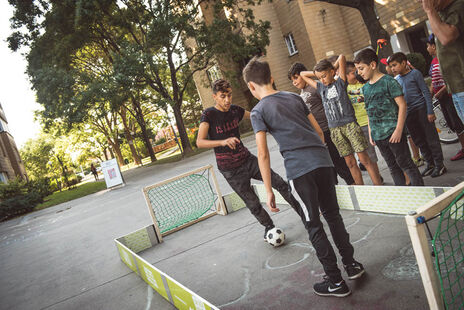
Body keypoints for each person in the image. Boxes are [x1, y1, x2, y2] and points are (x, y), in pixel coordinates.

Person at [243, 57, 364, 298]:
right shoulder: (294, 97)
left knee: (313, 224)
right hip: (323, 162)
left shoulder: (258, 111)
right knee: (332, 215)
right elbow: (319, 131)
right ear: (272, 78)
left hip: (301, 171)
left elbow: (263, 154)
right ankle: (351, 265)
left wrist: (268, 190)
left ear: (251, 86)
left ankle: (335, 280)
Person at [196, 79, 300, 241]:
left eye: (229, 95)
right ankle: (269, 228)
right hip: (230, 170)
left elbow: (255, 115)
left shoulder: (235, 111)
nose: (227, 100)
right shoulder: (209, 115)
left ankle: (304, 213)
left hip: (248, 160)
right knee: (253, 203)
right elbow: (199, 142)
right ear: (214, 97)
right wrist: (222, 142)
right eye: (223, 96)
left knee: (279, 183)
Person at [300, 55, 382, 186]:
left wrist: (331, 67)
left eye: (324, 76)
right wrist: (318, 73)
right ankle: (361, 191)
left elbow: (342, 57)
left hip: (350, 125)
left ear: (332, 72)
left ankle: (379, 186)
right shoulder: (321, 88)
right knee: (350, 163)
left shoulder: (340, 82)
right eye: (319, 77)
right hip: (335, 130)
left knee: (364, 159)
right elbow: (303, 74)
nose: (322, 79)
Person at [354, 49, 424, 186]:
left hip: (393, 133)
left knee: (405, 163)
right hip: (378, 135)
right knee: (392, 167)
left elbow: (402, 105)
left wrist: (399, 130)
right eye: (357, 69)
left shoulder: (388, 82)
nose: (359, 73)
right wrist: (371, 132)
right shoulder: (366, 88)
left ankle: (422, 194)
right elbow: (369, 111)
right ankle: (403, 195)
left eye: (361, 68)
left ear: (373, 65)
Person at [287, 62, 355, 185]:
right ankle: (335, 190)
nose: (295, 82)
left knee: (338, 161)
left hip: (327, 129)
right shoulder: (302, 92)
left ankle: (353, 184)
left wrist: (315, 73)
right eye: (292, 80)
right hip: (318, 134)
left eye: (296, 78)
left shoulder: (316, 86)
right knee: (329, 165)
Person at [388, 52, 446, 177]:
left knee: (431, 139)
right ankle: (430, 164)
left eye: (394, 65)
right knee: (419, 140)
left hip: (421, 110)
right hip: (409, 115)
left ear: (404, 63)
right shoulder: (396, 80)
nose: (392, 68)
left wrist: (430, 111)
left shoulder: (415, 74)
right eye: (391, 66)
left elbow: (425, 92)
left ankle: (439, 164)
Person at [420, 0, 464, 123]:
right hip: (456, 88)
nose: (424, 4)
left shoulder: (459, 6)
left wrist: (430, 11)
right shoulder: (443, 13)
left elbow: (446, 37)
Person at [427, 33, 464, 161]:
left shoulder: (444, 59)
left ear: (433, 46)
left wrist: (442, 91)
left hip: (448, 95)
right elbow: (433, 80)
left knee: (458, 123)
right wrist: (430, 95)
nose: (427, 48)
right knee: (452, 124)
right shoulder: (433, 62)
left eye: (428, 46)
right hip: (441, 98)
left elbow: (449, 79)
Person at [346, 61, 383, 182]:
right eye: (351, 73)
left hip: (372, 121)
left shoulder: (364, 84)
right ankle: (378, 178)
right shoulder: (346, 88)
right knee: (370, 155)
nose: (355, 74)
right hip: (359, 124)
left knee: (384, 149)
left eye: (355, 72)